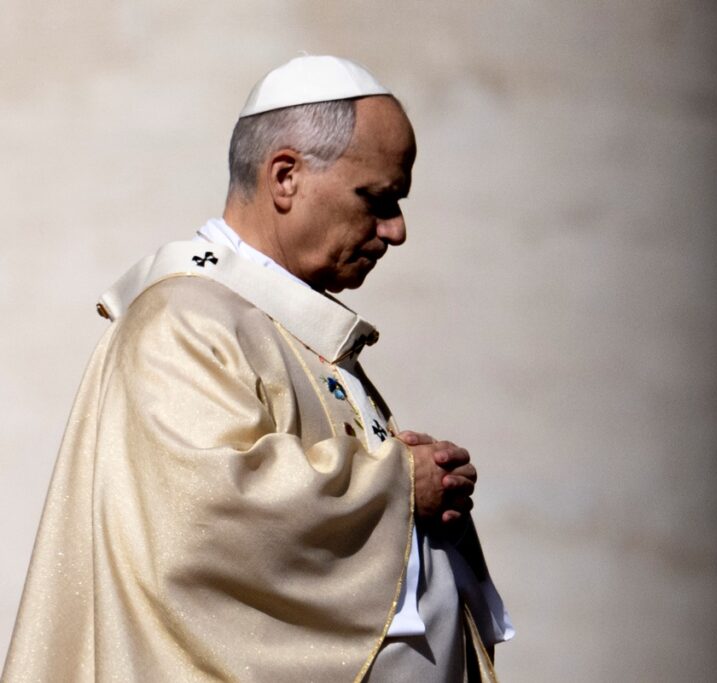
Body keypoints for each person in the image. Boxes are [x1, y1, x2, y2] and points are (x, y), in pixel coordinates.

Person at [2, 55, 512, 683]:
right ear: (286, 177)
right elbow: (209, 519)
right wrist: (400, 487)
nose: (396, 230)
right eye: (378, 199)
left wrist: (424, 491)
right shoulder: (182, 323)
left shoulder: (286, 326)